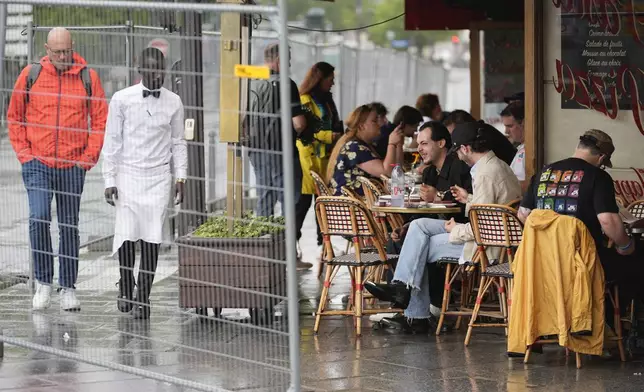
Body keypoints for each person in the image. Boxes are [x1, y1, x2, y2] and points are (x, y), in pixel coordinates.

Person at [365, 122, 522, 333]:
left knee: (419, 244)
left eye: (457, 150)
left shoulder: (484, 174)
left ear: (466, 148)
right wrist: (469, 199)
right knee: (418, 227)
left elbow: (482, 226)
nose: (456, 155)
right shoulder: (496, 165)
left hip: (486, 246)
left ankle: (413, 310)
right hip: (495, 237)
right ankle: (403, 289)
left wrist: (455, 229)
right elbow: (490, 210)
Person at [7, 27, 108, 311]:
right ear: (47, 50)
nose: (63, 56)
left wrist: (87, 158)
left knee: (69, 225)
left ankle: (68, 287)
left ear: (72, 47)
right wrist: (25, 154)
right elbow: (14, 116)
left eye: (67, 51)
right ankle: (43, 282)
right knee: (38, 218)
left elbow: (100, 121)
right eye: (57, 52)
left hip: (72, 164)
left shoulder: (89, 77)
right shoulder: (31, 75)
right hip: (37, 162)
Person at [102, 47, 188, 319]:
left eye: (160, 70)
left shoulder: (174, 101)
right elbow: (112, 141)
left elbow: (178, 141)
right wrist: (109, 178)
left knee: (152, 236)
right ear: (140, 70)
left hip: (158, 177)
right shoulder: (121, 99)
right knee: (127, 233)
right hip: (128, 175)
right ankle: (126, 284)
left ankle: (144, 296)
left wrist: (181, 176)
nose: (156, 75)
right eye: (151, 70)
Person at [519, 129, 644, 302]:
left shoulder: (543, 172)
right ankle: (616, 320)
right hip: (585, 261)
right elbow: (608, 221)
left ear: (579, 147)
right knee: (636, 259)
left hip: (543, 261)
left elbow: (524, 214)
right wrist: (626, 245)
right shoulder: (598, 176)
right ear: (601, 158)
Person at [247, 43, 309, 270]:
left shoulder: (251, 79)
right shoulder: (287, 84)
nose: (290, 63)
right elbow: (298, 122)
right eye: (288, 58)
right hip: (282, 150)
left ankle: (263, 256)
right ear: (278, 59)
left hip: (257, 150)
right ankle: (288, 255)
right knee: (289, 203)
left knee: (264, 200)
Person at [294, 62, 343, 260]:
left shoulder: (327, 101)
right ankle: (292, 246)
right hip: (310, 158)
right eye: (330, 79)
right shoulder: (305, 100)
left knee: (322, 204)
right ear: (320, 79)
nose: (333, 83)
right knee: (303, 203)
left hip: (326, 159)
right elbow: (305, 129)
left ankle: (324, 246)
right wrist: (329, 136)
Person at [327, 104, 403, 196]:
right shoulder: (354, 148)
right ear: (361, 126)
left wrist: (398, 145)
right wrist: (392, 144)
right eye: (374, 121)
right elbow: (386, 173)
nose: (379, 124)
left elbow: (396, 169)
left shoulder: (368, 145)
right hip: (353, 206)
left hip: (363, 204)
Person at [500, 101, 526, 186]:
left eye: (510, 126)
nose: (506, 131)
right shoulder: (521, 148)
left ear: (523, 123)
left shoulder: (530, 150)